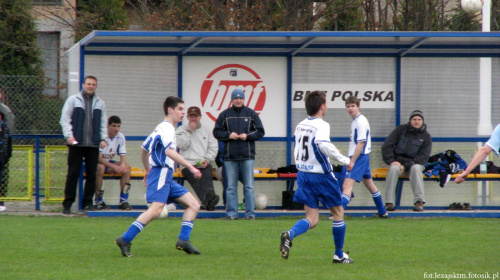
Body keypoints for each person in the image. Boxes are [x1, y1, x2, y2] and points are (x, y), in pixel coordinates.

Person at [115, 96, 202, 257]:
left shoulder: (160, 128)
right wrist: (190, 166)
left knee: (194, 205)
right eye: (180, 109)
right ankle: (125, 239)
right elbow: (169, 151)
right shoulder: (167, 128)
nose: (183, 112)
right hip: (161, 172)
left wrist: (146, 170)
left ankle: (183, 240)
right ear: (170, 110)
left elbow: (144, 149)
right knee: (156, 209)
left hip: (164, 174)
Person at [280, 91, 353, 264]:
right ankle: (339, 254)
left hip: (304, 175)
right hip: (321, 176)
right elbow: (321, 144)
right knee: (338, 212)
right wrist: (344, 160)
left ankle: (290, 234)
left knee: (312, 219)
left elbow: (304, 149)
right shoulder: (322, 125)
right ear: (322, 106)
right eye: (326, 103)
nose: (326, 106)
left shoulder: (300, 125)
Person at [213, 88, 265, 220]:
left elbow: (260, 132)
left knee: (249, 186)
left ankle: (250, 214)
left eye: (240, 98)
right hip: (229, 156)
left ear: (244, 99)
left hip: (247, 156)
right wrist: (228, 135)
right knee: (230, 187)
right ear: (232, 100)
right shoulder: (224, 114)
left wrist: (247, 136)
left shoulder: (251, 113)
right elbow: (216, 132)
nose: (238, 100)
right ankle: (232, 214)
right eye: (236, 98)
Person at [60, 75, 107, 214]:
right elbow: (65, 119)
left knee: (92, 174)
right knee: (73, 173)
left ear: (96, 86)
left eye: (93, 84)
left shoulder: (100, 103)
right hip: (76, 144)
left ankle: (87, 203)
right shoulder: (73, 100)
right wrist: (69, 136)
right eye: (88, 84)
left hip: (93, 144)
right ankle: (67, 204)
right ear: (83, 85)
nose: (91, 86)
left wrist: (103, 138)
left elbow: (103, 123)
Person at [342, 96, 388, 218]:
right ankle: (382, 212)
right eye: (348, 106)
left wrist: (352, 161)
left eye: (353, 106)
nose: (350, 109)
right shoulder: (356, 120)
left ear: (358, 106)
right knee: (370, 185)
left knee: (347, 185)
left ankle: (338, 212)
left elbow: (361, 143)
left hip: (359, 157)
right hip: (362, 157)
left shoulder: (361, 121)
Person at [381, 110, 432, 212]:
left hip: (415, 163)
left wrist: (407, 165)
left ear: (422, 121)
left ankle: (419, 202)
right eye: (414, 119)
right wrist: (391, 161)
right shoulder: (400, 130)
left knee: (416, 169)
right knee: (393, 168)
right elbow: (386, 146)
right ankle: (389, 202)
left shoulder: (426, 136)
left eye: (419, 119)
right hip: (398, 163)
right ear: (410, 120)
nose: (416, 122)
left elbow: (424, 157)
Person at [176, 106, 220, 211]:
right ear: (187, 117)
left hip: (204, 162)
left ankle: (207, 201)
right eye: (191, 116)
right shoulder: (181, 130)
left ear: (200, 117)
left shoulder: (207, 130)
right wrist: (189, 131)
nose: (193, 119)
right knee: (197, 181)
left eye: (195, 116)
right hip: (187, 164)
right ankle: (211, 201)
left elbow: (213, 147)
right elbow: (181, 145)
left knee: (206, 178)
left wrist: (207, 160)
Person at [95, 115, 132, 210]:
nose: (116, 129)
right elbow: (98, 158)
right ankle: (98, 200)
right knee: (101, 168)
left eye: (118, 126)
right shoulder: (102, 136)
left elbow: (123, 155)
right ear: (108, 126)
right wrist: (115, 167)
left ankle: (123, 200)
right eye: (114, 126)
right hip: (96, 163)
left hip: (108, 162)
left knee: (127, 168)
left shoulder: (120, 137)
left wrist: (122, 165)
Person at [0, 87, 14, 212]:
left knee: (3, 175)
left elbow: (9, 131)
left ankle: (1, 200)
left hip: (1, 149)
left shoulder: (5, 111)